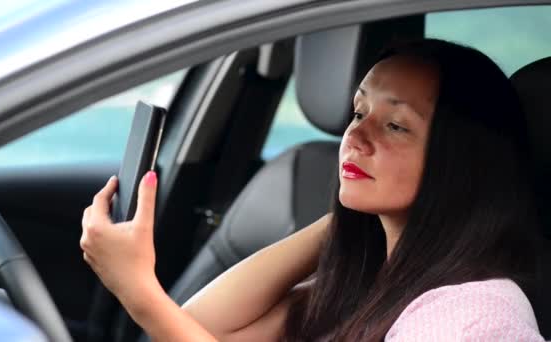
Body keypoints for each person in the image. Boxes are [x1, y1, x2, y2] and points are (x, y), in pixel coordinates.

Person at [79, 39, 545, 341]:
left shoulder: (474, 316)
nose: (355, 138)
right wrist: (336, 226)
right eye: (359, 113)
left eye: (397, 125)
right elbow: (200, 329)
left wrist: (138, 289)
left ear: (462, 165)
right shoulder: (371, 282)